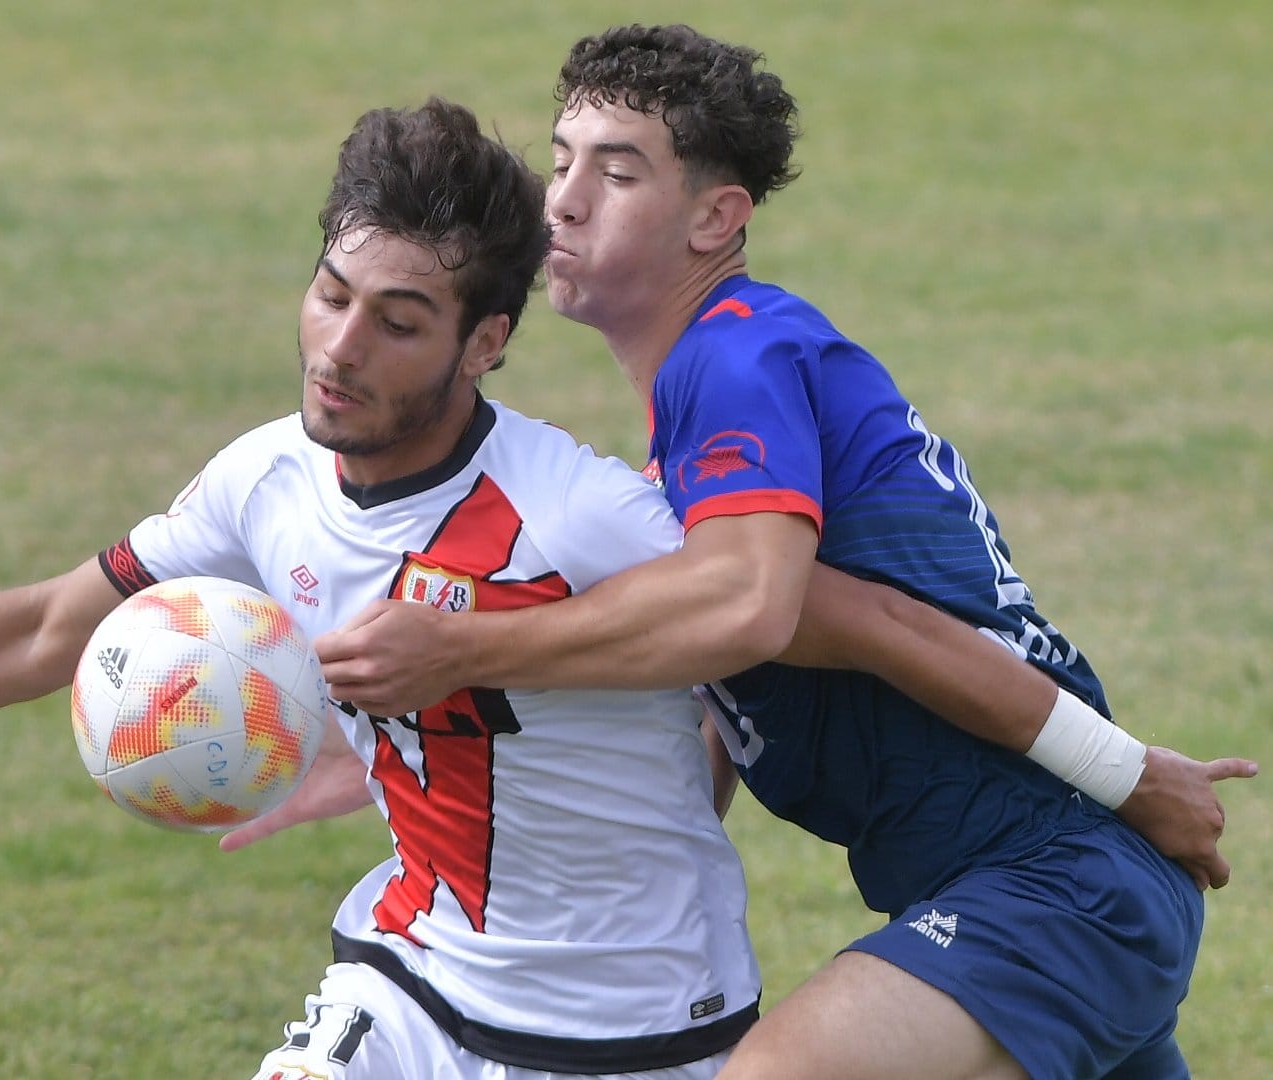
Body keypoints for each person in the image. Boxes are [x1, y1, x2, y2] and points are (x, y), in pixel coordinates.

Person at [0, 95, 1040, 1079]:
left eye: (399, 321)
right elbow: (41, 626)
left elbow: (840, 631)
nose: (340, 348)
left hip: (638, 1027)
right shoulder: (266, 478)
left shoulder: (587, 515)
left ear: (487, 340)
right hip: (411, 981)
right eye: (330, 294)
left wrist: (1110, 767)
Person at [308, 27, 1259, 1080]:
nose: (562, 200)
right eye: (562, 157)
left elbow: (832, 617)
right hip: (1041, 890)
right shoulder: (691, 455)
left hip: (1054, 882)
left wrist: (1126, 776)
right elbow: (703, 686)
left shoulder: (737, 354)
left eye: (617, 171)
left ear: (718, 218)